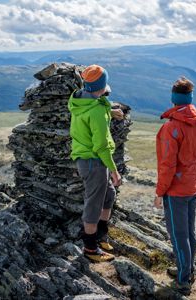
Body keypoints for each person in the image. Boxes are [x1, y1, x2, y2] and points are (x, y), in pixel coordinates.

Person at [154, 77, 196, 295]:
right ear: (189, 99)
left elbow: (167, 164)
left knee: (178, 235)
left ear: (174, 99)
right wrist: (192, 175)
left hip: (176, 191)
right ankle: (187, 270)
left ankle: (184, 279)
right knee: (189, 233)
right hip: (192, 186)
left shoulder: (172, 127)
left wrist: (159, 192)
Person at [69, 64, 123, 262]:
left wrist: (111, 110)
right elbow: (102, 147)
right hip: (94, 162)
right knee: (93, 205)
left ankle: (100, 236)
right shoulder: (97, 112)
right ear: (102, 87)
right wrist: (114, 170)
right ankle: (90, 249)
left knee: (109, 196)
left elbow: (98, 102)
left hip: (89, 161)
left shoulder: (79, 97)